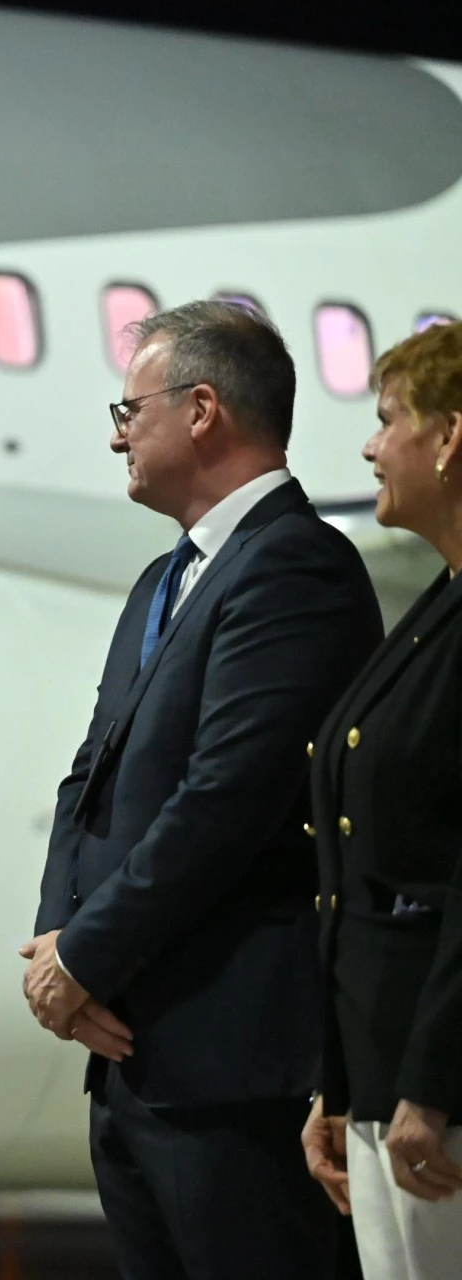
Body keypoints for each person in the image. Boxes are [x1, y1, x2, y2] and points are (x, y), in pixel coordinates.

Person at [26, 300, 382, 1280]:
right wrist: (58, 945)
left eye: (128, 408)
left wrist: (88, 955)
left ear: (203, 409)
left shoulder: (295, 564)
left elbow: (229, 797)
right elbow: (88, 775)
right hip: (137, 1054)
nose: (115, 433)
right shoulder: (162, 579)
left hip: (229, 1064)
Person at [302, 319, 462, 1276]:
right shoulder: (436, 608)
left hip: (436, 1098)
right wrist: (343, 1082)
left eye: (388, 420)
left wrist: (431, 1087)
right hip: (387, 1080)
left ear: (449, 439)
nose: (368, 446)